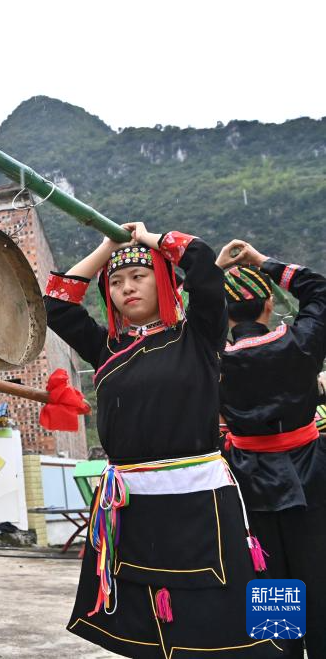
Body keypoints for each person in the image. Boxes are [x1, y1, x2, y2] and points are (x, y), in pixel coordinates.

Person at [44, 223, 281, 657]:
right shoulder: (106, 348)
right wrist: (108, 246)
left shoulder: (198, 334)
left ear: (165, 281)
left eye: (139, 276)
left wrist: (149, 238)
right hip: (131, 505)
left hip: (200, 499)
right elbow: (56, 304)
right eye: (116, 282)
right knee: (141, 609)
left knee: (224, 610)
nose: (126, 288)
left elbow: (203, 263)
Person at [216, 240, 326, 658]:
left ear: (226, 314)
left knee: (270, 579)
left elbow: (184, 328)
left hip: (246, 479)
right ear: (268, 305)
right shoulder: (300, 342)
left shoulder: (213, 358)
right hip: (312, 471)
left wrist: (212, 272)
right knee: (318, 572)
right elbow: (320, 292)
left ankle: (280, 650)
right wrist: (264, 262)